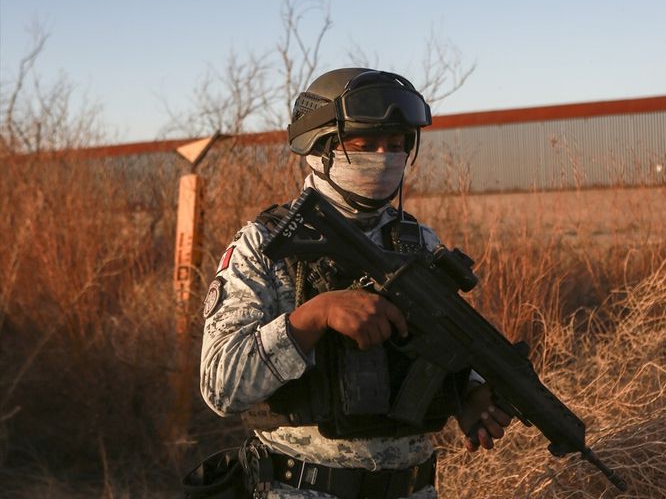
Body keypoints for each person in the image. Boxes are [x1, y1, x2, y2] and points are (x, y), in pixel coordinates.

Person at [200, 68, 511, 499]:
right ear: (318, 147)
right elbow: (220, 386)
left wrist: (469, 392)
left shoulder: (418, 242)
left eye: (397, 145)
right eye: (366, 145)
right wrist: (314, 316)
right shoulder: (265, 244)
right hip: (301, 488)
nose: (385, 157)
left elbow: (444, 341)